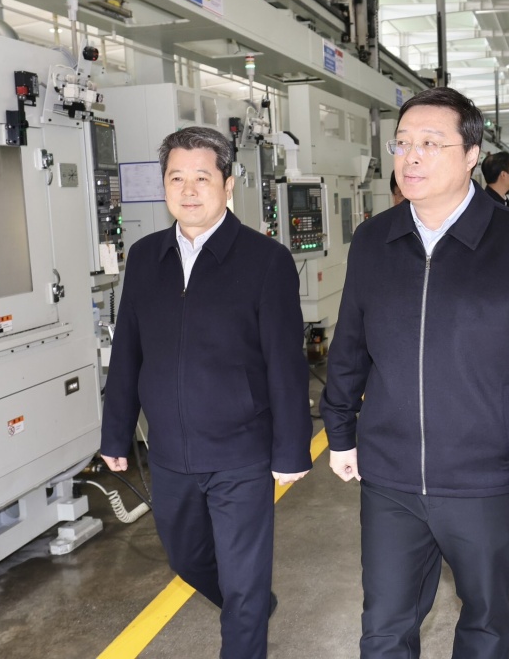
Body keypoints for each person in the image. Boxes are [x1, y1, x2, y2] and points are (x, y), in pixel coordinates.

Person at [321, 86, 509, 659]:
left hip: (483, 480)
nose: (411, 156)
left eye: (430, 143)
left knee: (484, 623)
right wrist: (339, 429)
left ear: (470, 156)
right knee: (383, 627)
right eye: (403, 143)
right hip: (390, 478)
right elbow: (350, 345)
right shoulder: (374, 240)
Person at [100, 126, 313, 659]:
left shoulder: (265, 261)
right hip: (170, 453)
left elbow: (285, 363)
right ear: (164, 186)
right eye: (177, 178)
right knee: (188, 559)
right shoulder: (145, 257)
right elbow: (127, 350)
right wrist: (116, 433)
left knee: (243, 581)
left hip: (241, 452)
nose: (189, 190)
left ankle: (247, 613)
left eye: (202, 177)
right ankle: (252, 607)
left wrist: (292, 449)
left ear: (228, 184)